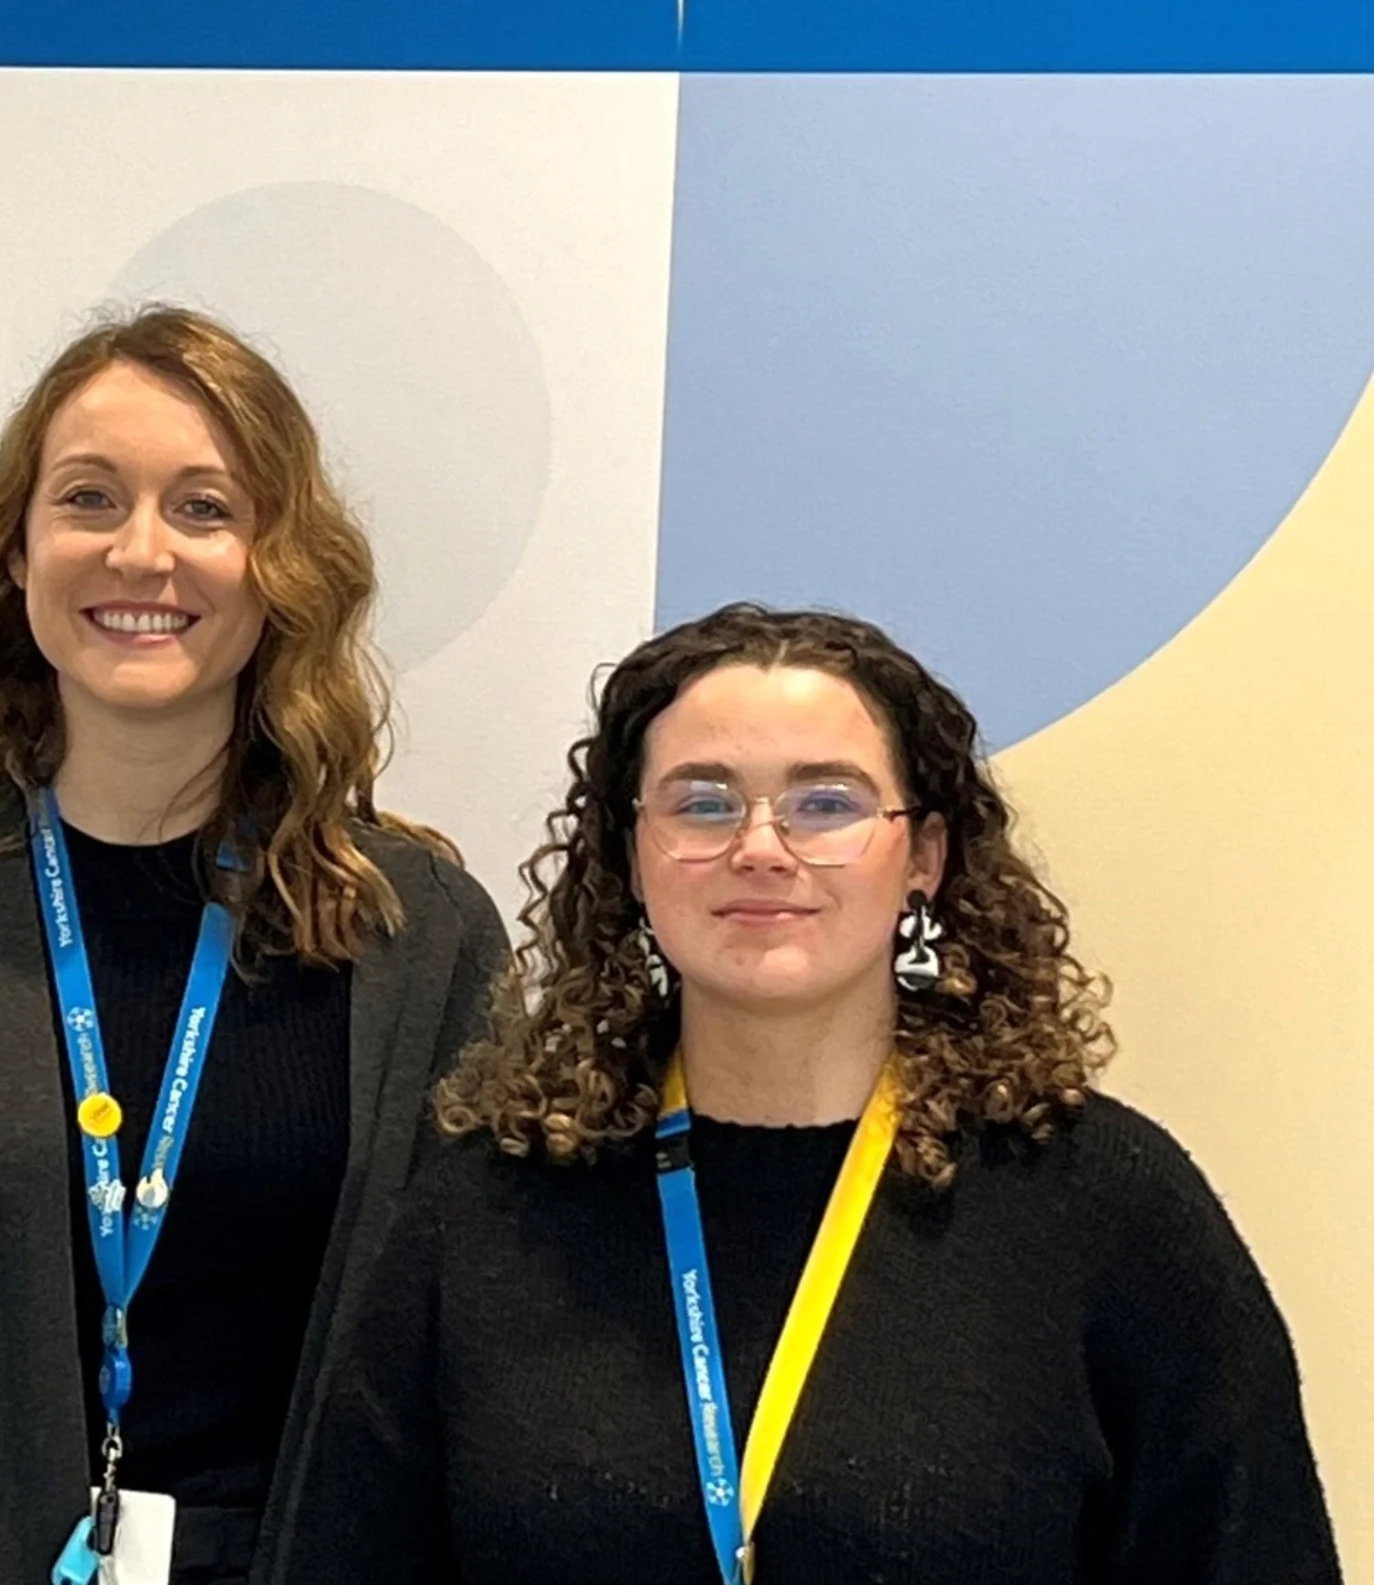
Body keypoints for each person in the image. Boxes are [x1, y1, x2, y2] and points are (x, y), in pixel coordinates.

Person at [279, 602, 1340, 1585]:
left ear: (923, 854)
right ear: (633, 855)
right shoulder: (486, 1215)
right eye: (701, 801)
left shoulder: (1105, 1208)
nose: (759, 847)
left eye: (824, 802)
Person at [0, 307, 507, 1585]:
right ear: (16, 555)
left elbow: (483, 1356)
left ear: (281, 564)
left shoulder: (412, 935)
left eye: (205, 507)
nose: (142, 553)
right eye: (90, 498)